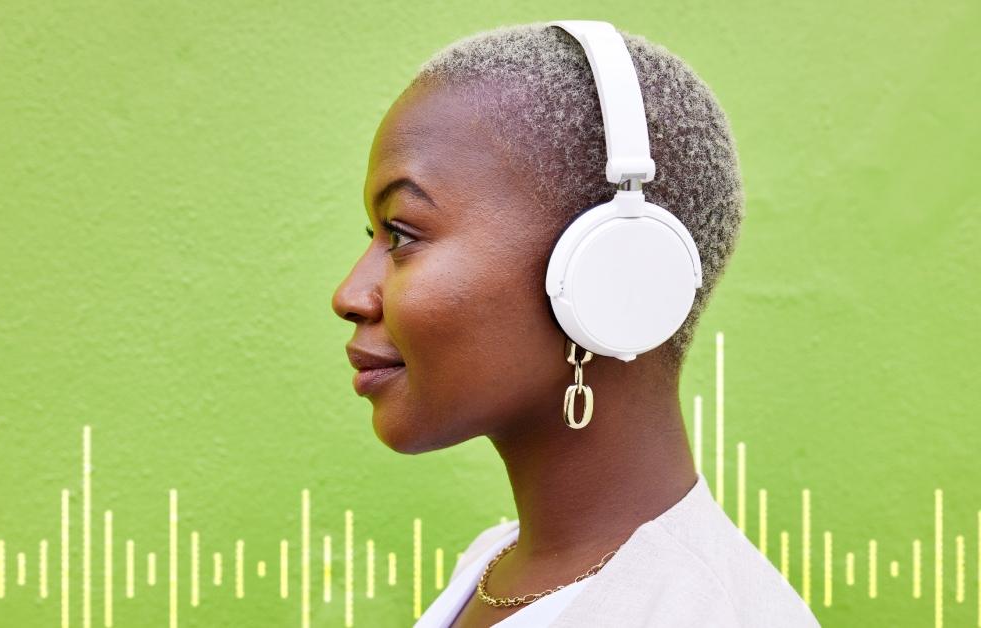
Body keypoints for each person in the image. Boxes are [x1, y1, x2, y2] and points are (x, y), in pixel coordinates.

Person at [331, 21, 819, 628]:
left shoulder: (701, 615)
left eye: (401, 234)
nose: (349, 294)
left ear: (604, 273)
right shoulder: (492, 563)